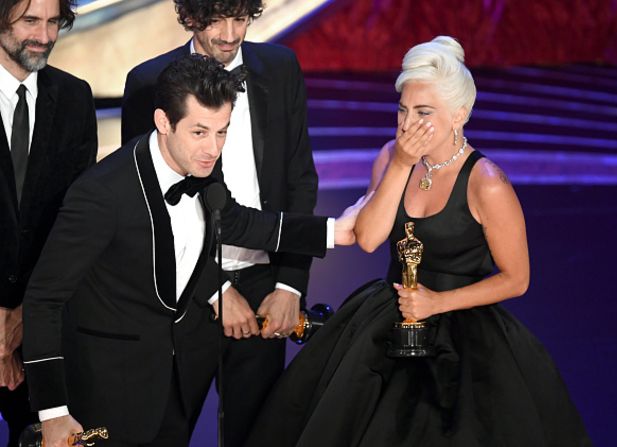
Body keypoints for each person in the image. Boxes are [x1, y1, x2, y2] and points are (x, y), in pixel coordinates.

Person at [245, 36, 592, 446]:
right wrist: (401, 165)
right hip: (386, 317)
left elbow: (517, 279)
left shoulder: (488, 183)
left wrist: (438, 302)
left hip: (464, 330)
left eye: (423, 113)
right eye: (402, 110)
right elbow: (371, 238)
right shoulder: (392, 155)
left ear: (459, 115)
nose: (408, 124)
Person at [21, 54, 360, 447]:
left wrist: (335, 232)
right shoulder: (100, 195)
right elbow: (44, 299)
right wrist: (53, 413)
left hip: (173, 384)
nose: (213, 148)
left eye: (222, 132)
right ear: (164, 122)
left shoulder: (201, 165)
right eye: (200, 132)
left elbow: (236, 221)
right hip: (106, 390)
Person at [122, 1, 319, 444]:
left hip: (266, 288)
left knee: (258, 434)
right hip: (184, 292)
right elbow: (149, 208)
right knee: (162, 432)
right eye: (216, 19)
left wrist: (290, 285)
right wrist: (214, 289)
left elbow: (300, 180)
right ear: (190, 16)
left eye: (241, 18)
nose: (231, 34)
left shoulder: (281, 67)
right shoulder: (148, 83)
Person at [0, 0, 97, 444]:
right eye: (30, 21)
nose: (44, 35)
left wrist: (24, 316)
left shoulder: (75, 98)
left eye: (54, 21)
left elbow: (74, 225)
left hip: (44, 330)